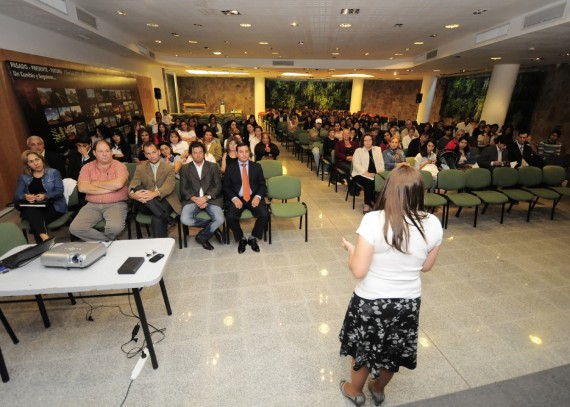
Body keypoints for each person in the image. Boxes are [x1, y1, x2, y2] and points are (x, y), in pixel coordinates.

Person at [339, 165, 443, 407]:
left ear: (388, 190)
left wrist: (352, 252)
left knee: (364, 347)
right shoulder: (433, 224)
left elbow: (358, 270)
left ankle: (355, 390)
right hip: (407, 302)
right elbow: (426, 266)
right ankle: (377, 388)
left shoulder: (373, 220)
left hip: (371, 299)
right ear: (419, 192)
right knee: (392, 350)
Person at [69, 140, 129, 241]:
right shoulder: (86, 168)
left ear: (111, 152)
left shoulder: (119, 166)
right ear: (94, 153)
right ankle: (107, 242)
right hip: (92, 205)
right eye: (101, 151)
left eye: (107, 151)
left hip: (116, 204)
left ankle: (105, 243)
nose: (105, 154)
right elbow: (82, 188)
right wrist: (111, 189)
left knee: (115, 228)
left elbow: (118, 184)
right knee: (75, 228)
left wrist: (94, 183)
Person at [223, 142, 269, 254]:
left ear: (249, 153)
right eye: (241, 152)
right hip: (237, 197)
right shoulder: (230, 168)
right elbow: (226, 187)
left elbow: (262, 185)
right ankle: (241, 238)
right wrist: (234, 198)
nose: (244, 154)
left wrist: (258, 197)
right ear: (236, 153)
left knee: (264, 214)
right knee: (230, 216)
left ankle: (253, 237)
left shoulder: (257, 167)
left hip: (253, 196)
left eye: (246, 151)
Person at [129, 142, 181, 238]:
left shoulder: (168, 168)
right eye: (148, 153)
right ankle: (167, 218)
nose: (152, 156)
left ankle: (160, 247)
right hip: (146, 204)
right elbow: (133, 184)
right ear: (145, 155)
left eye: (153, 152)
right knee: (138, 188)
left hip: (165, 199)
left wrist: (154, 194)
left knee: (157, 219)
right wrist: (133, 194)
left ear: (158, 152)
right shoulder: (140, 168)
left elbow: (169, 186)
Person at [180, 141, 225, 250]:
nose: (198, 155)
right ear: (191, 154)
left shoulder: (213, 166)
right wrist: (195, 199)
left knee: (220, 219)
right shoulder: (185, 168)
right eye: (195, 153)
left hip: (211, 198)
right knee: (185, 219)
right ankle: (213, 228)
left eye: (200, 152)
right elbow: (183, 188)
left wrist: (205, 198)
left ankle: (202, 236)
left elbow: (218, 186)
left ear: (204, 153)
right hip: (193, 199)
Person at [14, 150, 67, 243]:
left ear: (41, 159)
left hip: (53, 206)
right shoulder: (23, 177)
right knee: (33, 212)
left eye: (37, 159)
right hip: (33, 206)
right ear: (27, 165)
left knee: (34, 221)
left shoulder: (53, 172)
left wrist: (45, 195)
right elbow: (18, 195)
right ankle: (45, 238)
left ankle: (43, 243)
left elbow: (59, 191)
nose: (35, 163)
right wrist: (26, 196)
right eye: (31, 162)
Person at [351, 134, 385, 213]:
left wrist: (379, 173)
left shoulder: (378, 149)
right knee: (369, 182)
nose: (367, 142)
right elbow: (356, 165)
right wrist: (367, 174)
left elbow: (381, 163)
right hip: (359, 174)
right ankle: (367, 204)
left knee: (381, 181)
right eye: (365, 140)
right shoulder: (358, 151)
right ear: (362, 142)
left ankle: (375, 201)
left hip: (375, 174)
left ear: (372, 141)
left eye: (369, 140)